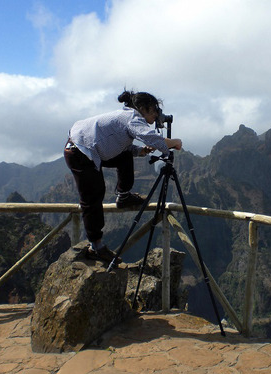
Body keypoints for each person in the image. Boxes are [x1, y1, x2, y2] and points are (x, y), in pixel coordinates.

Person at [64, 90, 183, 262]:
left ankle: (124, 196)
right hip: (81, 151)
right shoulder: (132, 117)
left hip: (88, 148)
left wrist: (140, 151)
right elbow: (149, 136)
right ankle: (96, 246)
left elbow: (121, 147)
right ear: (144, 108)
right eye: (154, 111)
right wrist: (174, 142)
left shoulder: (126, 116)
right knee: (94, 194)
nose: (157, 115)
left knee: (126, 158)